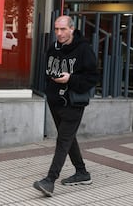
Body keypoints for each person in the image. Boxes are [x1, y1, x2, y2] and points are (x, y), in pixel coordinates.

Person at [33, 15, 99, 197]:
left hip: (73, 102)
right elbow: (48, 70)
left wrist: (71, 78)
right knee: (68, 138)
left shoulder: (84, 49)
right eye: (56, 29)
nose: (59, 33)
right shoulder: (53, 48)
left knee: (63, 139)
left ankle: (49, 180)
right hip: (56, 100)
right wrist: (51, 82)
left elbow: (92, 78)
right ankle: (82, 173)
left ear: (72, 29)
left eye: (63, 29)